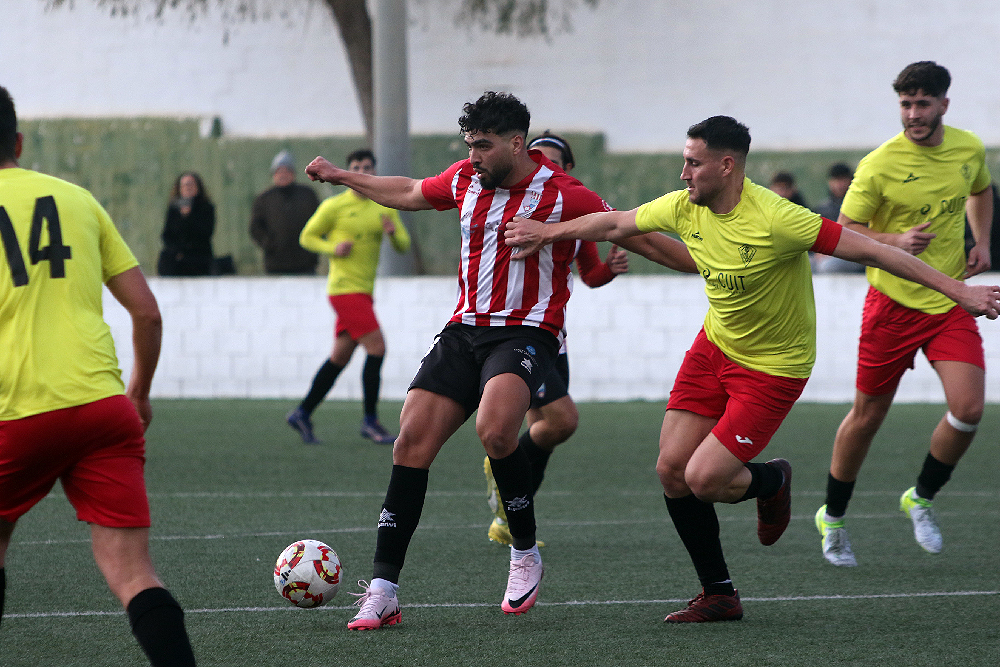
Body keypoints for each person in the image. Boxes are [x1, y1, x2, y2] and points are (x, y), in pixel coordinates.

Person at [504, 115, 999, 623]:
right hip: (713, 350)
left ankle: (771, 481)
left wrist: (960, 292)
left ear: (726, 165)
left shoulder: (779, 218)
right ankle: (719, 594)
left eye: (693, 163)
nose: (683, 173)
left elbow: (876, 252)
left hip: (773, 369)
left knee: (703, 479)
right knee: (671, 471)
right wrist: (549, 232)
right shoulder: (682, 205)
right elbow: (615, 224)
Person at [304, 91, 696, 629]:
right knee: (410, 441)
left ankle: (524, 552)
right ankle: (383, 590)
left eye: (483, 146)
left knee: (495, 429)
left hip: (527, 331)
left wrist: (707, 265)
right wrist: (342, 176)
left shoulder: (563, 192)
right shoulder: (467, 179)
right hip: (465, 329)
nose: (473, 156)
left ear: (516, 143)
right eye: (469, 145)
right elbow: (410, 191)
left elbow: (632, 233)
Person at [0, 85, 197, 665]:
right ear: (18, 142)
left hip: (16, 410)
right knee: (133, 572)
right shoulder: (77, 200)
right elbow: (147, 313)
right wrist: (140, 393)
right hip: (103, 409)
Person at [815, 61, 994, 567]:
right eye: (905, 104)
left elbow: (981, 190)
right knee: (868, 417)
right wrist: (895, 239)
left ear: (943, 105)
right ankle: (833, 516)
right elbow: (843, 230)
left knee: (969, 410)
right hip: (891, 307)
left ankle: (920, 498)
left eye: (922, 104)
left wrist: (981, 240)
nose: (913, 114)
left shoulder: (968, 148)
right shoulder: (879, 165)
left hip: (949, 301)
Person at [483, 131, 630, 546]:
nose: (541, 166)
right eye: (536, 158)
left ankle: (509, 520)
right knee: (561, 421)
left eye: (551, 161)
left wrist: (610, 269)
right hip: (520, 336)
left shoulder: (576, 219)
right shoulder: (514, 210)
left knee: (543, 434)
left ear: (566, 170)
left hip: (554, 339)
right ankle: (501, 463)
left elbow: (590, 274)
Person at [286, 149, 411, 445]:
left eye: (367, 167)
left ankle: (302, 413)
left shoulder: (384, 204)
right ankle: (370, 421)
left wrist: (393, 233)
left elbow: (404, 246)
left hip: (364, 292)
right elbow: (307, 236)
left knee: (339, 357)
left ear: (375, 171)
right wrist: (333, 248)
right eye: (357, 167)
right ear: (348, 171)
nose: (362, 172)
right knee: (377, 348)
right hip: (344, 290)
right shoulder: (335, 206)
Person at [249, 150, 320, 275]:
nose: (283, 175)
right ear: (273, 174)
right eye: (279, 171)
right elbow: (255, 227)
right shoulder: (264, 199)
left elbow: (320, 221)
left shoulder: (307, 195)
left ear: (293, 173)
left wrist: (313, 244)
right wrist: (270, 244)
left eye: (287, 170)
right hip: (275, 264)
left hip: (305, 264)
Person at [157, 171, 216, 277]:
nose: (187, 188)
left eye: (191, 184)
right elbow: (167, 234)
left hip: (198, 255)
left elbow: (205, 233)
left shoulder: (206, 208)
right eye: (184, 185)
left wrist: (188, 217)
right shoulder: (174, 209)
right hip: (176, 256)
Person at [812, 163, 864, 274]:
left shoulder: (859, 206)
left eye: (843, 180)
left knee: (828, 266)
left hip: (852, 255)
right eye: (836, 180)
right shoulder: (823, 209)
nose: (839, 185)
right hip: (826, 254)